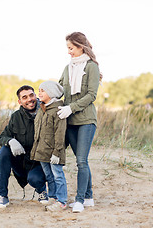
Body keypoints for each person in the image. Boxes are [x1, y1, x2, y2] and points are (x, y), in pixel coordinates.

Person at [57, 32, 100, 213]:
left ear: (81, 46)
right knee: (81, 161)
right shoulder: (68, 68)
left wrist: (71, 107)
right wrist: (43, 97)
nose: (69, 52)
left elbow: (91, 95)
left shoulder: (91, 67)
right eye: (67, 48)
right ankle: (89, 196)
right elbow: (59, 89)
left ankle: (80, 200)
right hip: (70, 122)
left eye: (71, 48)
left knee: (81, 161)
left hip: (86, 120)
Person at [0, 85, 48, 208]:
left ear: (35, 96)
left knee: (35, 179)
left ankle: (42, 190)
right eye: (25, 97)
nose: (29, 99)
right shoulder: (16, 117)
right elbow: (2, 137)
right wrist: (11, 141)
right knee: (4, 150)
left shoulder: (46, 112)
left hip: (39, 164)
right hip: (21, 163)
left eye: (31, 95)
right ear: (20, 101)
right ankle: (2, 196)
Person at [31, 80, 68, 211]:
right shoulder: (41, 108)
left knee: (58, 175)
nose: (39, 93)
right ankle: (53, 197)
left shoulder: (58, 110)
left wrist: (57, 152)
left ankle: (62, 201)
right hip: (42, 150)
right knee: (49, 176)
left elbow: (60, 133)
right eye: (39, 90)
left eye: (42, 91)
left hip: (53, 152)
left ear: (51, 93)